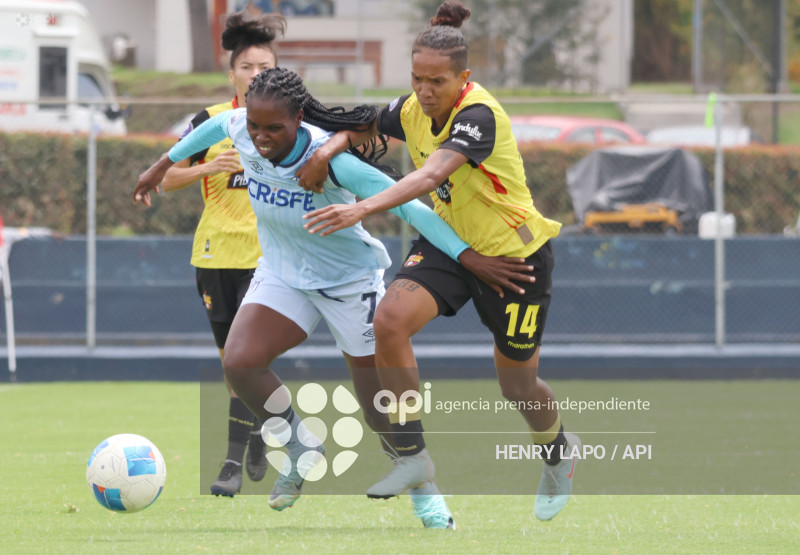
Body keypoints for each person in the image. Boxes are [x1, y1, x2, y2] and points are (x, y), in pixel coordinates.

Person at [134, 67, 532, 527]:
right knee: (240, 362)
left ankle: (425, 490)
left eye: (273, 128)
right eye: (254, 125)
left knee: (377, 410)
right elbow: (210, 128)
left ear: (299, 118)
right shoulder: (240, 128)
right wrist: (161, 164)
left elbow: (410, 207)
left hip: (348, 282)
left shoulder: (335, 161)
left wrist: (467, 257)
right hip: (284, 273)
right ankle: (301, 445)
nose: (260, 137)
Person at [300, 0, 581, 522]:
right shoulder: (413, 107)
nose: (425, 92)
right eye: (417, 79)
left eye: (436, 82)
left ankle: (559, 454)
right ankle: (412, 453)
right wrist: (325, 151)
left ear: (463, 78)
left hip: (512, 259)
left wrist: (360, 206)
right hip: (451, 245)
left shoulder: (479, 115)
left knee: (517, 385)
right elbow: (362, 126)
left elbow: (429, 178)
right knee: (389, 321)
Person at [157, 11, 286, 497]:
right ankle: (252, 435)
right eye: (247, 67)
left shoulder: (286, 121)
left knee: (245, 359)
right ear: (231, 75)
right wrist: (209, 167)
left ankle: (231, 462)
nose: (256, 75)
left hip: (268, 259)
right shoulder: (210, 123)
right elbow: (168, 178)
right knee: (229, 363)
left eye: (265, 67)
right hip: (213, 256)